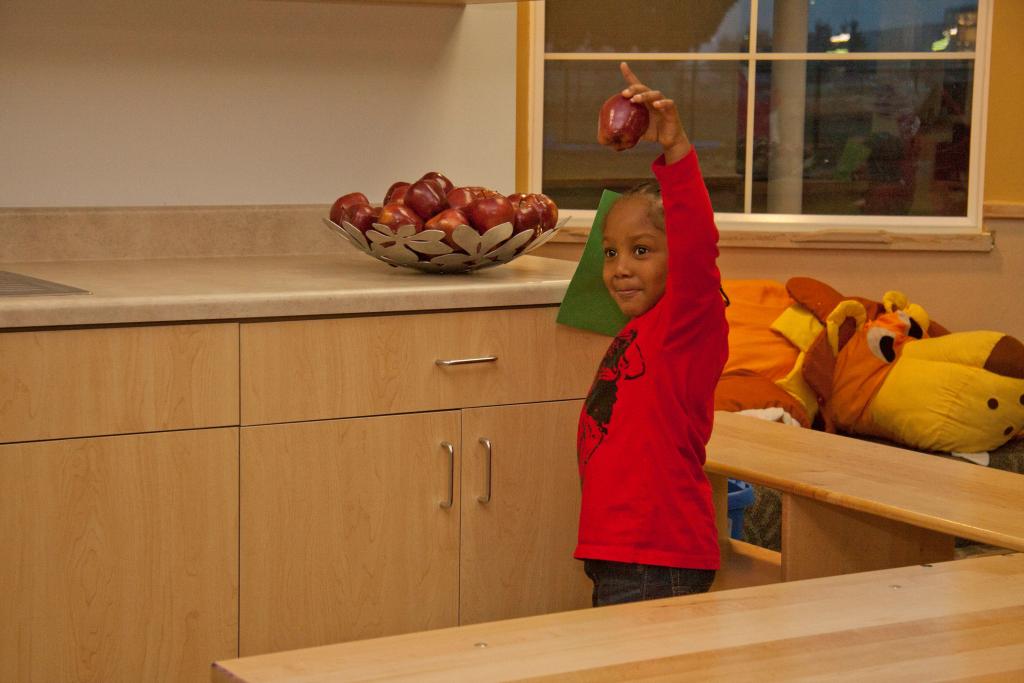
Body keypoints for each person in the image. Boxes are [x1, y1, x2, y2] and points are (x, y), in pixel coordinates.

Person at [576, 62, 729, 607]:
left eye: (642, 251)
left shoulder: (688, 320)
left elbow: (695, 243)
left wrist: (675, 147)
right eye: (611, 253)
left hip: (656, 558)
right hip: (621, 553)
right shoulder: (638, 327)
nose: (619, 267)